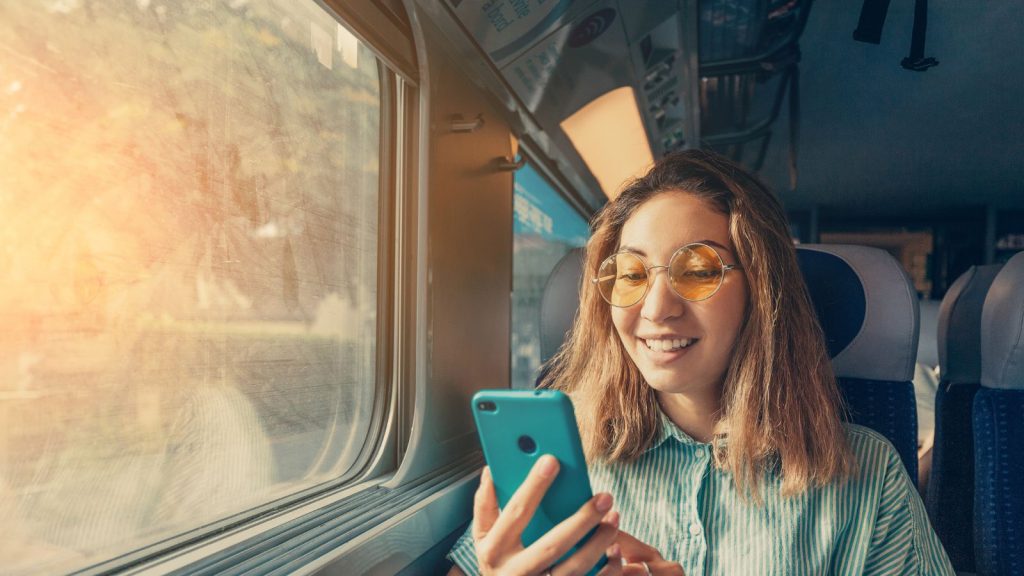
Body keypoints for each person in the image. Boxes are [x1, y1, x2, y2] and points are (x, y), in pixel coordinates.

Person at [447, 150, 954, 575]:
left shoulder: (867, 475)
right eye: (630, 274)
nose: (656, 309)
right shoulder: (554, 457)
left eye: (698, 270)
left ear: (761, 290)